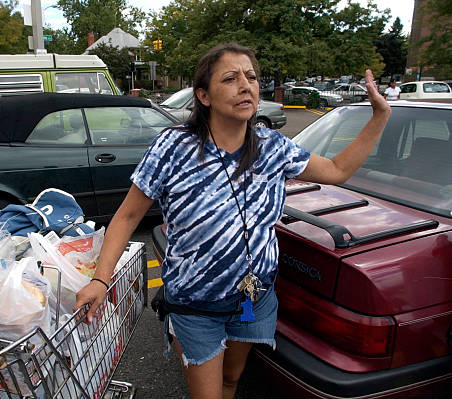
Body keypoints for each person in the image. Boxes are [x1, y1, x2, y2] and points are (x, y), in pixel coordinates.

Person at [75, 43, 391, 399]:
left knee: (231, 379)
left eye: (252, 77)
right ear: (204, 96)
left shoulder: (273, 147)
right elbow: (128, 215)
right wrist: (101, 280)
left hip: (253, 299)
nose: (246, 85)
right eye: (230, 78)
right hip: (195, 304)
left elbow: (337, 170)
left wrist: (379, 117)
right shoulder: (173, 147)